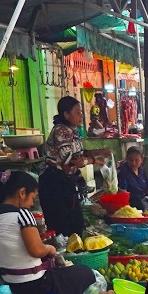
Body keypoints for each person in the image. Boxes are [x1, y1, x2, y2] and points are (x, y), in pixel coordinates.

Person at [0, 172, 95, 294]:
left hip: (7, 283)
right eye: (32, 198)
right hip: (33, 286)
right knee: (86, 273)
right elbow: (37, 251)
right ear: (22, 192)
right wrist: (49, 249)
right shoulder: (22, 214)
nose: (32, 203)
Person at [40, 96, 92, 237]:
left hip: (66, 182)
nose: (81, 115)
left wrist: (99, 152)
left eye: (81, 112)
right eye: (77, 112)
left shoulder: (73, 131)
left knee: (75, 223)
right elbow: (69, 160)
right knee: (62, 225)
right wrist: (93, 160)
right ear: (67, 114)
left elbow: (79, 153)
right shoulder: (61, 131)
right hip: (54, 183)